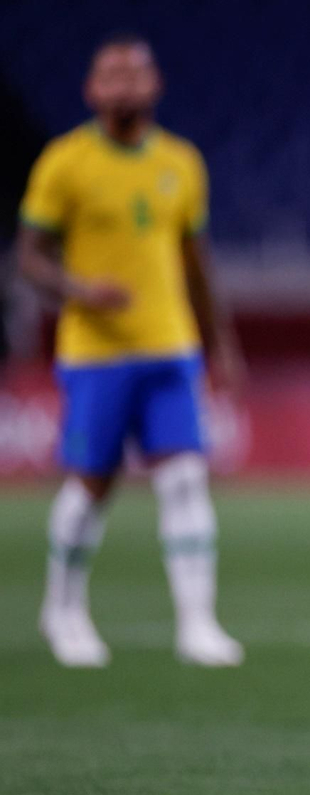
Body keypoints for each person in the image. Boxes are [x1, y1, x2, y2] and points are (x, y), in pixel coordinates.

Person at [15, 35, 245, 669]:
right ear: (92, 90)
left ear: (155, 85)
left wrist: (221, 339)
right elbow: (29, 254)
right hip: (96, 353)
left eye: (134, 73)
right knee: (93, 484)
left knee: (185, 478)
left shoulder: (181, 162)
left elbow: (197, 263)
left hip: (171, 347)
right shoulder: (65, 162)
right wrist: (79, 289)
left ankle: (198, 624)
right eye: (109, 75)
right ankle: (62, 611)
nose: (122, 84)